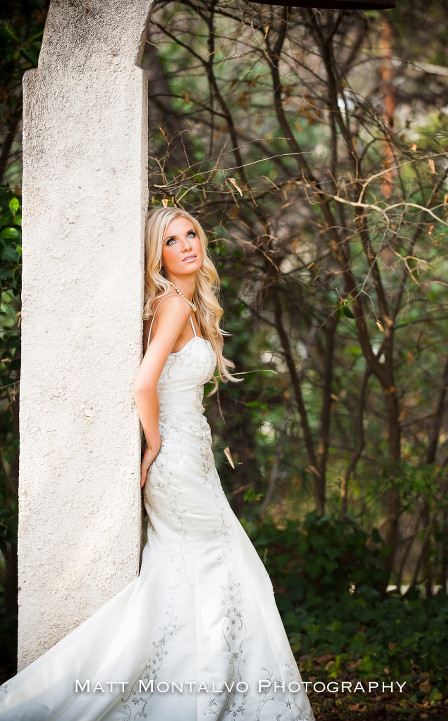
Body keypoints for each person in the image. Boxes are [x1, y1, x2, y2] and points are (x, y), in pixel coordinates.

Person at [0, 207, 316, 720]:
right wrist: (153, 443)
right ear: (157, 255)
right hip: (177, 462)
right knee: (221, 571)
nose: (188, 245)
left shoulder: (189, 304)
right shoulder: (172, 305)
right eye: (172, 240)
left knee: (195, 578)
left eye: (191, 233)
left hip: (192, 461)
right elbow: (144, 384)